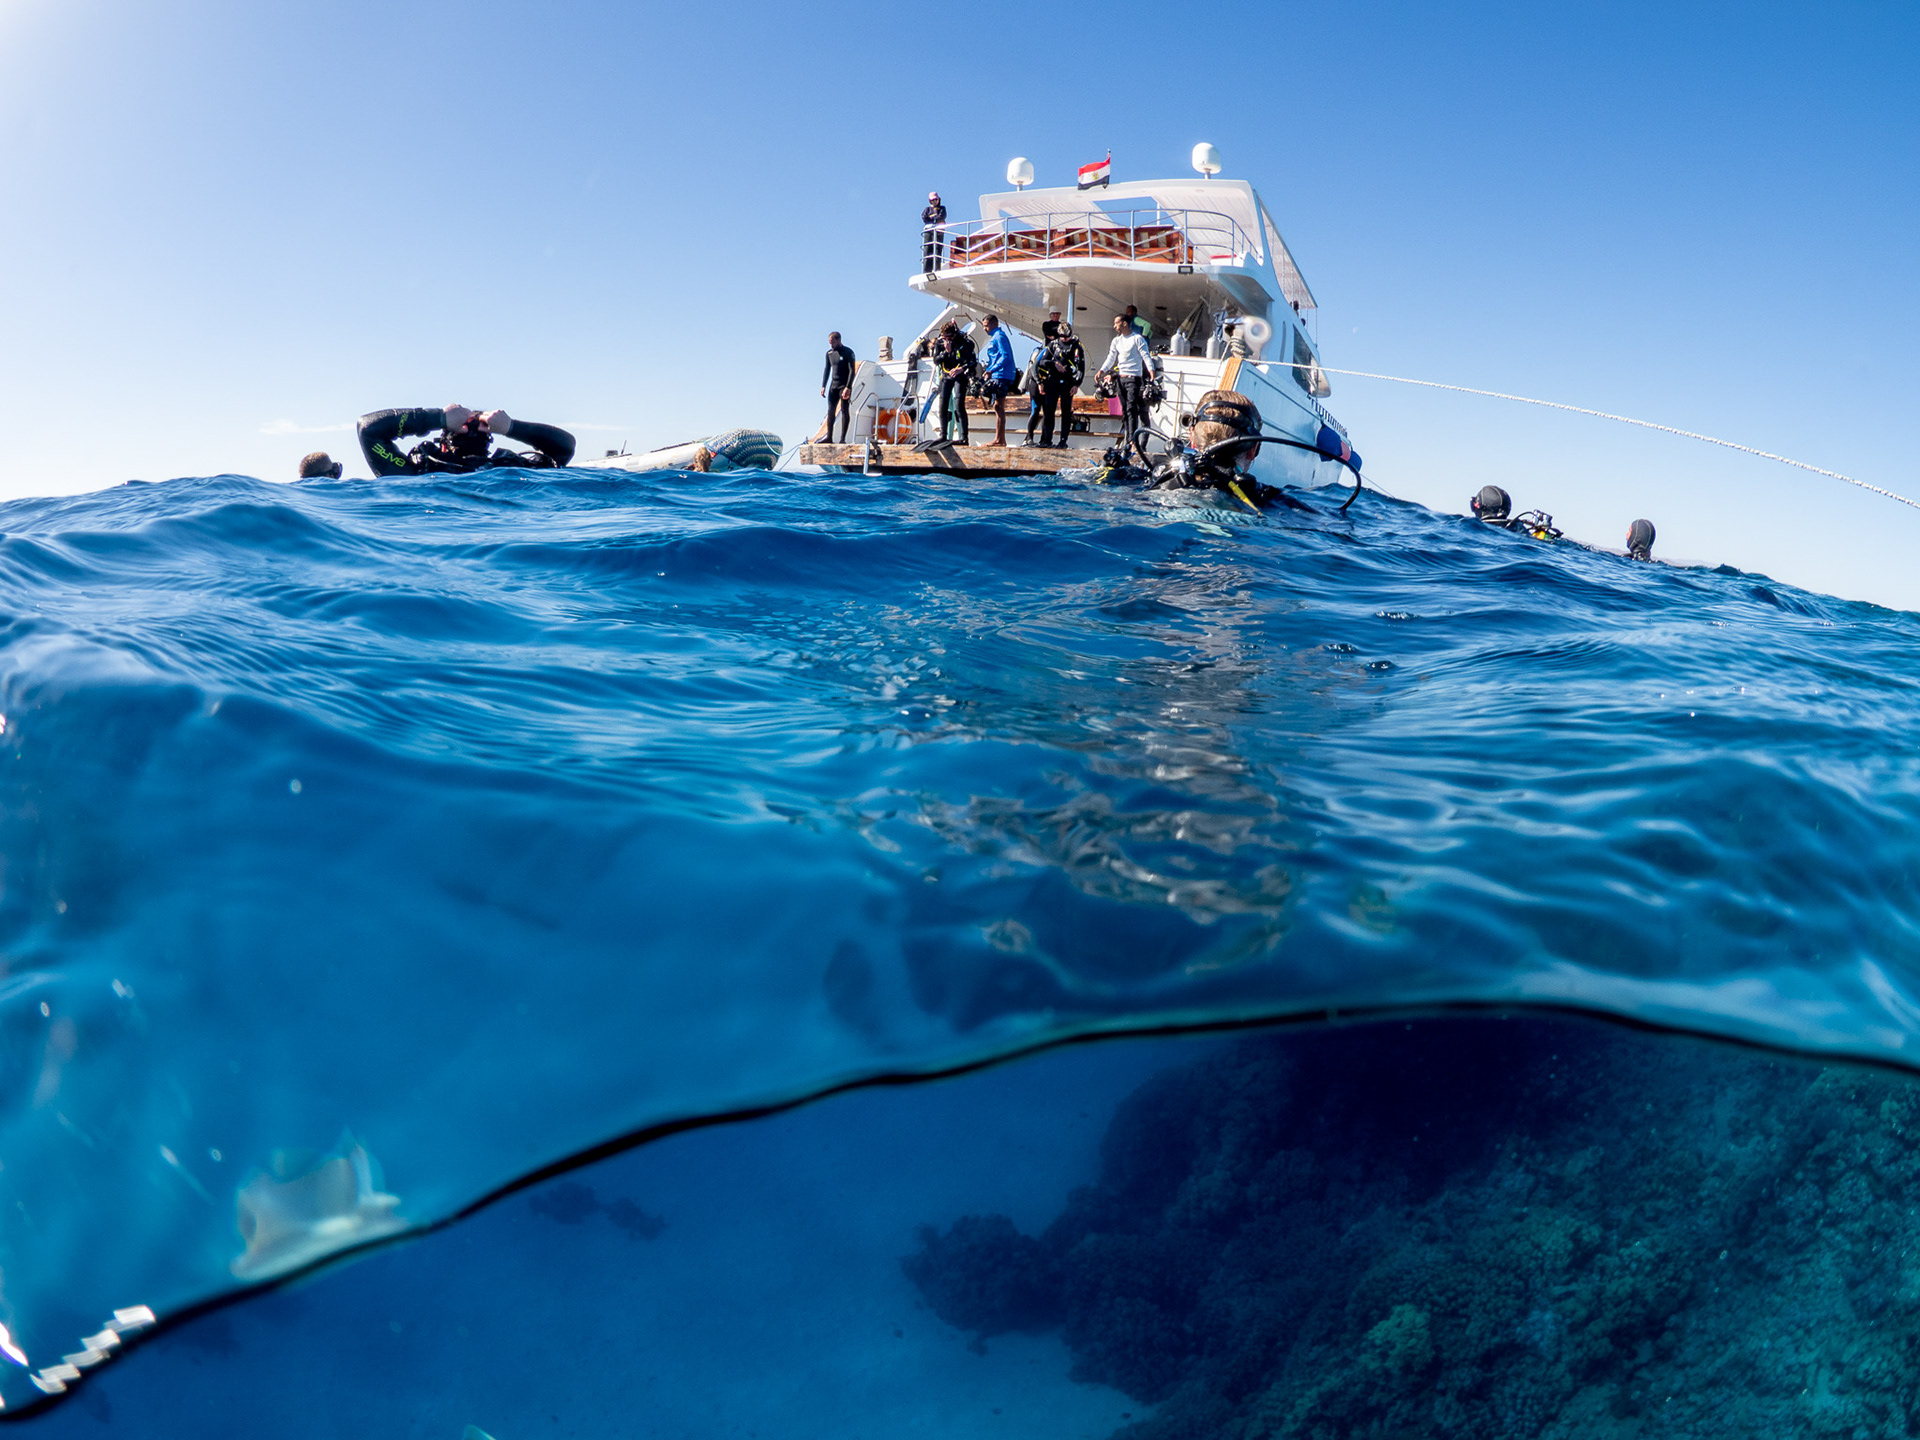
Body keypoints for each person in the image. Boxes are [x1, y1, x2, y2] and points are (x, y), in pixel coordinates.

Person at [357, 405, 576, 476]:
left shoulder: (508, 468)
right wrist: (438, 417)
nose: (470, 430)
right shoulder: (418, 470)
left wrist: (510, 427)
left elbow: (564, 449)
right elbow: (367, 428)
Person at [1100, 315, 1156, 455]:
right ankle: (1128, 440)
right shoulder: (1116, 341)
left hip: (1134, 379)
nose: (1114, 326)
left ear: (1124, 323)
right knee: (1125, 411)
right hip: (1121, 379)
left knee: (1132, 409)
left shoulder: (1137, 339)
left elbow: (1146, 356)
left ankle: (1133, 442)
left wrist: (1151, 371)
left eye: (1116, 323)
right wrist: (1102, 370)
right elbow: (1111, 357)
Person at [1034, 323, 1084, 447]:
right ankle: (1047, 439)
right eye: (1062, 336)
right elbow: (1042, 362)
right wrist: (1054, 364)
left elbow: (1081, 368)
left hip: (1068, 384)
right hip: (1053, 382)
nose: (1065, 339)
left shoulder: (1076, 347)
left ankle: (1063, 441)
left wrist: (1076, 384)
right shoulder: (1053, 345)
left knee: (1066, 412)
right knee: (1049, 411)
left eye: (1067, 336)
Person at [976, 315, 1017, 447]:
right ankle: (1000, 439)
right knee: (997, 406)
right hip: (997, 374)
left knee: (999, 406)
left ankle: (999, 439)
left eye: (986, 325)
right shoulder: (995, 337)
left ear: (994, 324)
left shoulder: (999, 336)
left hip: (1002, 375)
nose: (985, 329)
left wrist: (991, 370)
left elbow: (1006, 356)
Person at [932, 321, 976, 444]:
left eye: (949, 337)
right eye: (944, 338)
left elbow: (972, 362)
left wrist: (961, 369)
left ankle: (963, 437)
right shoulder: (940, 343)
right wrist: (946, 351)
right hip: (946, 375)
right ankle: (943, 435)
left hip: (959, 375)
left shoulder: (964, 342)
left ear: (954, 334)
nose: (947, 340)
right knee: (943, 405)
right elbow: (936, 360)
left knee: (958, 405)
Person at [821, 331, 856, 443]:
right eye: (830, 343)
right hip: (833, 386)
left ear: (839, 340)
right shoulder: (829, 353)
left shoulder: (848, 352)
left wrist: (848, 387)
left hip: (844, 386)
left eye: (833, 342)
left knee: (844, 410)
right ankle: (829, 438)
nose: (831, 345)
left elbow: (852, 371)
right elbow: (827, 370)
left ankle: (842, 439)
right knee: (830, 411)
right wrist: (823, 386)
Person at [921, 192, 947, 273]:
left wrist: (932, 217)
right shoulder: (927, 209)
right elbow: (924, 217)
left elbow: (941, 216)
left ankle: (937, 269)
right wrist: (934, 217)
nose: (934, 201)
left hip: (939, 231)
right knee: (928, 250)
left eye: (936, 199)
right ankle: (926, 270)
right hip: (929, 231)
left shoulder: (942, 208)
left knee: (937, 249)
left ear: (939, 199)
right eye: (932, 200)